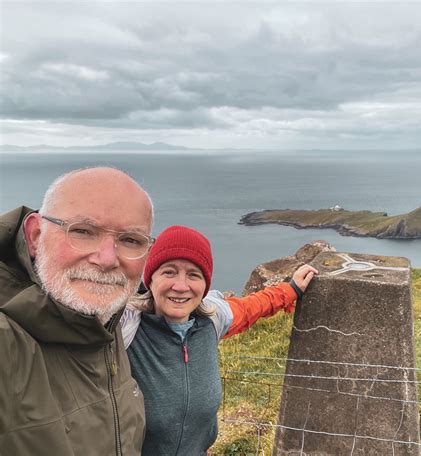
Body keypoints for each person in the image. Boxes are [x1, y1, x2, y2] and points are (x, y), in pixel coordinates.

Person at [122, 225, 317, 455]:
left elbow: (249, 307)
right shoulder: (125, 328)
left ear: (205, 286)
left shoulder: (212, 319)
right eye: (169, 272)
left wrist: (291, 290)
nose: (181, 286)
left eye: (194, 275)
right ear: (150, 280)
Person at [0, 167, 154, 456]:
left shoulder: (106, 319)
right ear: (35, 235)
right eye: (83, 231)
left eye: (131, 240)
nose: (107, 259)